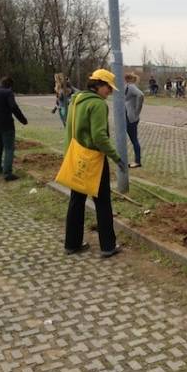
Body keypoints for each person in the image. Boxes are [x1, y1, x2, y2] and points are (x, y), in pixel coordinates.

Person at [64, 69, 124, 258]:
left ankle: (71, 243)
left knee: (76, 201)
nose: (110, 92)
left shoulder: (76, 100)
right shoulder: (98, 104)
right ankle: (108, 246)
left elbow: (68, 129)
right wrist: (117, 157)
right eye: (108, 87)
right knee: (103, 203)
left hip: (76, 156)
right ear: (98, 85)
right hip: (93, 160)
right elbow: (99, 136)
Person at [0, 76, 28, 181]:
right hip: (6, 125)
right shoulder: (8, 93)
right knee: (9, 148)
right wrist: (23, 120)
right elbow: (13, 107)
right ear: (10, 85)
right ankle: (7, 173)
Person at [124, 73, 144, 168]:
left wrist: (137, 111)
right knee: (130, 139)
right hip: (126, 117)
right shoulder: (127, 87)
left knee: (134, 139)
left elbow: (140, 95)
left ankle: (137, 161)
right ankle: (133, 160)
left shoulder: (131, 87)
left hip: (130, 118)